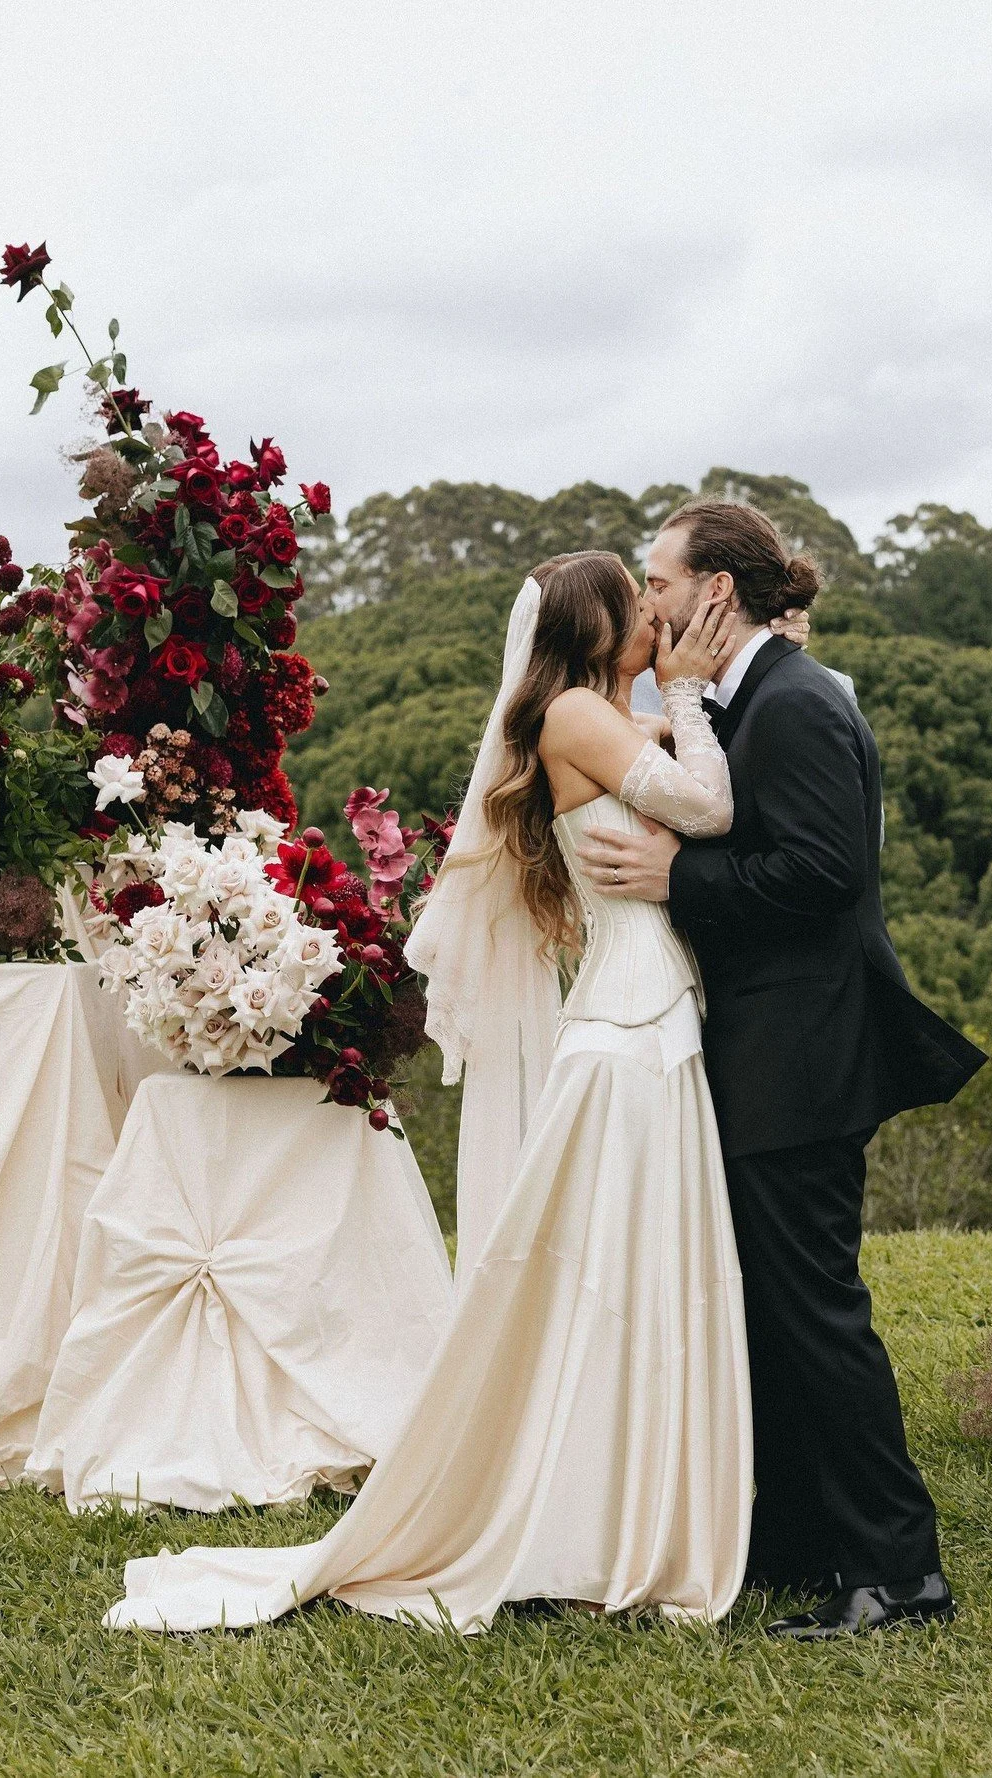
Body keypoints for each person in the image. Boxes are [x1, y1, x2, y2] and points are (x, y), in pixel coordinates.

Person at [104, 552, 755, 1634]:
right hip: (629, 1030)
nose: (659, 615)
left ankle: (615, 1494)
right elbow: (713, 807)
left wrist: (681, 691)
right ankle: (591, 1503)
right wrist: (686, 690)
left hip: (647, 1013)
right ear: (596, 626)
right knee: (614, 1267)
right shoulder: (578, 715)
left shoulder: (601, 714)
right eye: (640, 605)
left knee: (639, 1264)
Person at [578, 501, 986, 1640]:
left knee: (816, 1313)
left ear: (715, 590)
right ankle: (803, 1539)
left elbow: (823, 873)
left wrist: (676, 878)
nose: (645, 598)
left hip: (803, 1050)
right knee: (769, 1305)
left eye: (658, 577)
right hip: (764, 1043)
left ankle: (901, 1574)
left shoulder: (798, 702)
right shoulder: (736, 697)